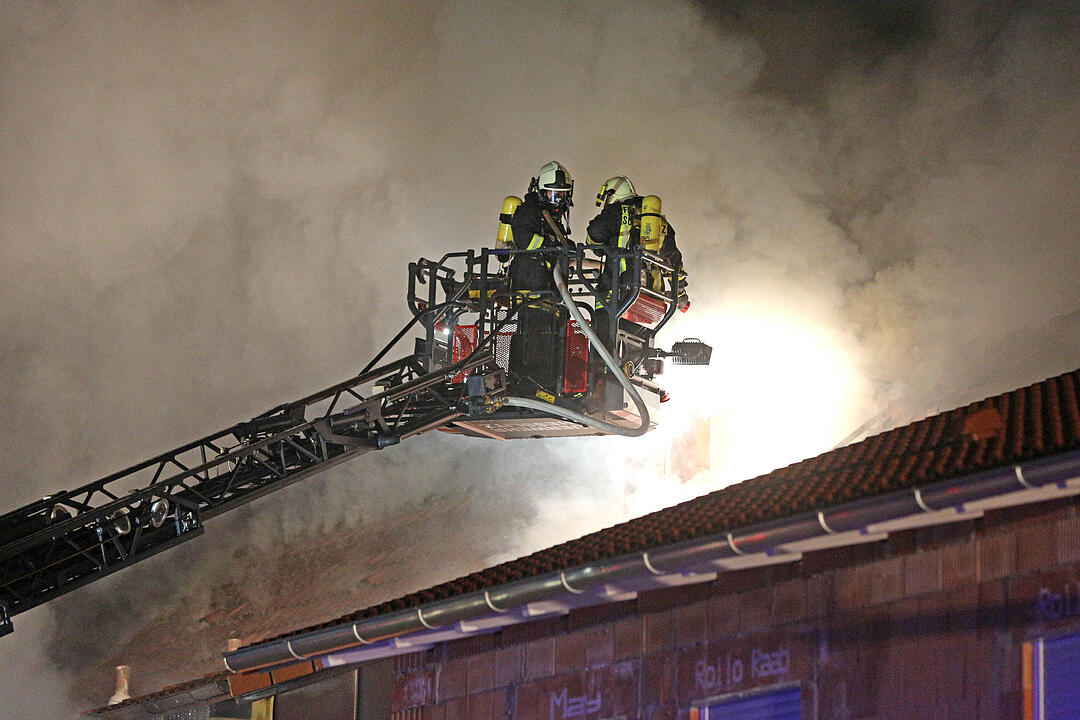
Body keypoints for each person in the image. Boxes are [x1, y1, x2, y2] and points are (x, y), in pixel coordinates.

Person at [504, 161, 575, 396]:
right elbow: (525, 239)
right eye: (554, 195)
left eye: (562, 195)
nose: (559, 201)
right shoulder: (529, 212)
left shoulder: (555, 220)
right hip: (530, 286)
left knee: (551, 336)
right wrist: (552, 245)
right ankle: (526, 381)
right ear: (542, 192)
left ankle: (547, 384)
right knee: (532, 336)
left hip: (548, 291)